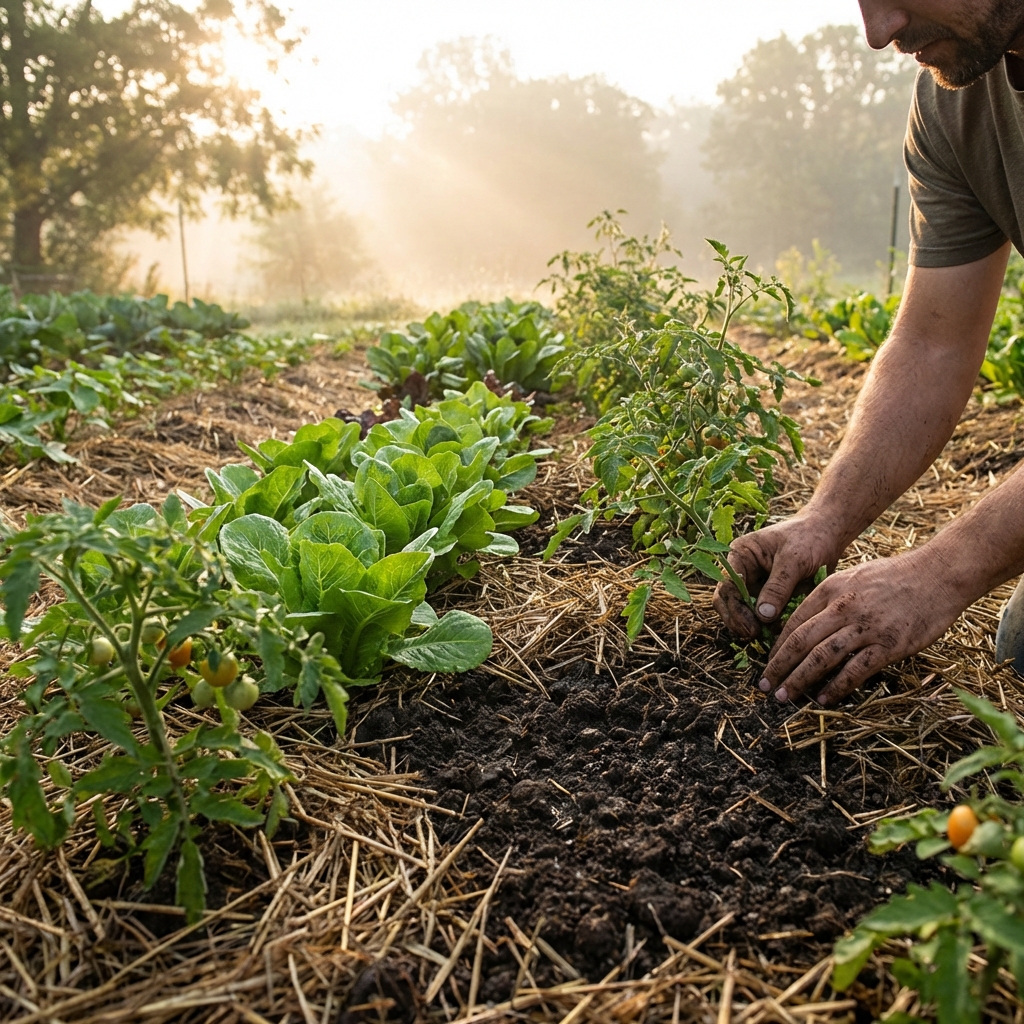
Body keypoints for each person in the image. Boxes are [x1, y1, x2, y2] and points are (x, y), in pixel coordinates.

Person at [713, 0, 1024, 707]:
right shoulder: (956, 101)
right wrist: (825, 518)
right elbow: (933, 343)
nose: (878, 31)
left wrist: (941, 572)